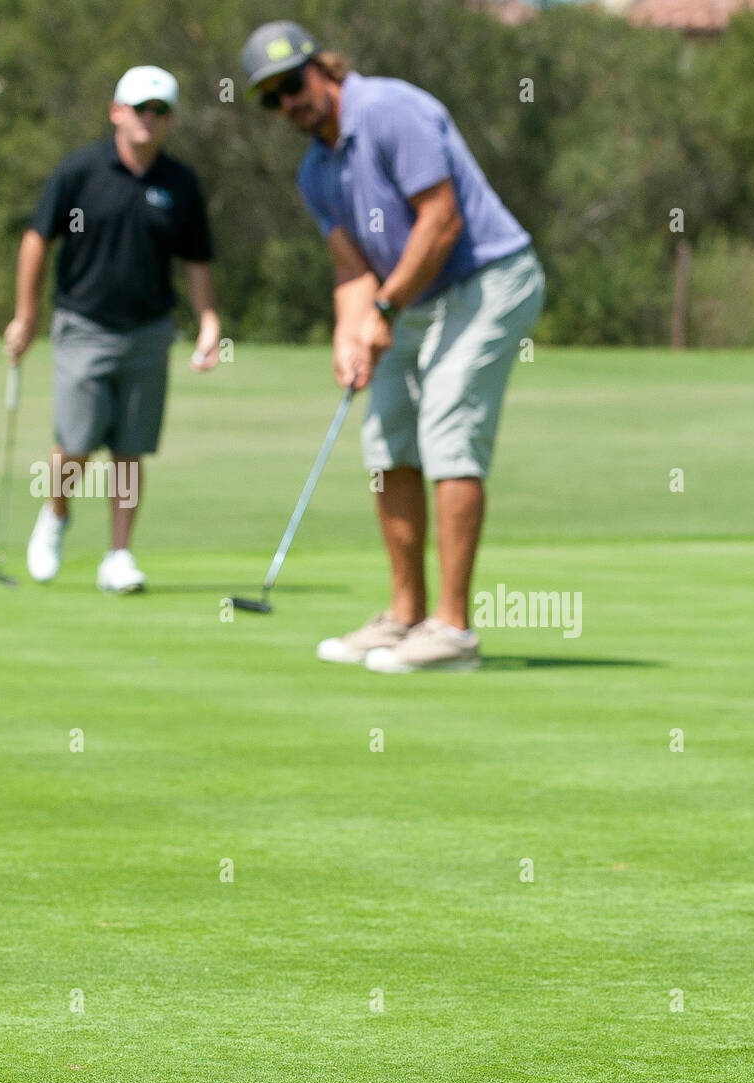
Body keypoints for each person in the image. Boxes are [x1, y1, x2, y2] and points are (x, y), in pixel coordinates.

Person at [241, 21, 545, 672]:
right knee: (386, 440)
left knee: (447, 427)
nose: (289, 102)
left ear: (323, 67)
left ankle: (453, 631)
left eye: (293, 83)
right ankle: (406, 616)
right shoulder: (315, 171)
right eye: (271, 98)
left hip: (488, 281)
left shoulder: (388, 109)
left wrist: (382, 309)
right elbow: (352, 269)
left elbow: (441, 220)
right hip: (414, 300)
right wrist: (350, 334)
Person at [3, 65, 221, 593]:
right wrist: (26, 314)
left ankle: (119, 555)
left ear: (169, 121)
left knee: (130, 447)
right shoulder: (80, 172)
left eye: (160, 111)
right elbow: (37, 239)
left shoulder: (179, 184)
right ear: (117, 112)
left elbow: (196, 259)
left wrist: (209, 319)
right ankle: (55, 517)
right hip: (83, 323)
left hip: (149, 329)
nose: (149, 119)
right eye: (140, 108)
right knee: (75, 442)